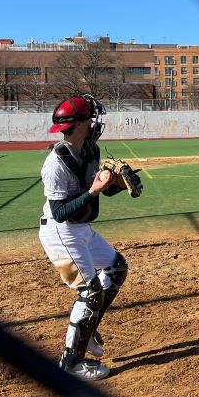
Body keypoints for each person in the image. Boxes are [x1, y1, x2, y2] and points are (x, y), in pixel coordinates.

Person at [38, 95, 131, 381]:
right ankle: (71, 364)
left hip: (82, 229)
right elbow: (62, 211)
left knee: (116, 268)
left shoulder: (90, 149)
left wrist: (122, 183)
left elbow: (95, 186)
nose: (93, 123)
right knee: (90, 292)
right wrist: (93, 192)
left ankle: (86, 330)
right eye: (89, 119)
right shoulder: (55, 163)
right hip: (60, 231)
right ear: (77, 124)